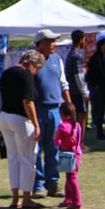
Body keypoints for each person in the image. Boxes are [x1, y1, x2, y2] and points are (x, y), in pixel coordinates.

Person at [0, 49, 44, 209]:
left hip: (5, 116)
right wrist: (37, 125)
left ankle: (15, 197)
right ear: (30, 63)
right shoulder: (26, 75)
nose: (36, 72)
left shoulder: (7, 73)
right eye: (37, 68)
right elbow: (28, 102)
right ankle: (26, 198)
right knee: (27, 159)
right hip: (21, 119)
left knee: (13, 158)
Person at [31, 29, 71, 198]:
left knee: (54, 148)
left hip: (55, 109)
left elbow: (64, 84)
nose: (54, 45)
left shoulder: (56, 59)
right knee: (36, 149)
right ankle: (38, 185)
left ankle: (53, 183)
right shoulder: (31, 60)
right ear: (42, 43)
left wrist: (69, 106)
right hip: (37, 110)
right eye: (51, 41)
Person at [54, 102, 83, 209]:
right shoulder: (78, 125)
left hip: (67, 156)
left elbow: (57, 142)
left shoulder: (62, 126)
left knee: (72, 178)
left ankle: (77, 201)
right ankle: (68, 199)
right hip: (77, 154)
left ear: (61, 113)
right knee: (70, 177)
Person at [64, 30, 90, 148]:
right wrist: (85, 93)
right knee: (81, 116)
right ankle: (79, 142)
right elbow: (78, 77)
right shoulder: (76, 55)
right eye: (84, 39)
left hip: (72, 90)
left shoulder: (71, 54)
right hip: (76, 91)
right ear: (80, 40)